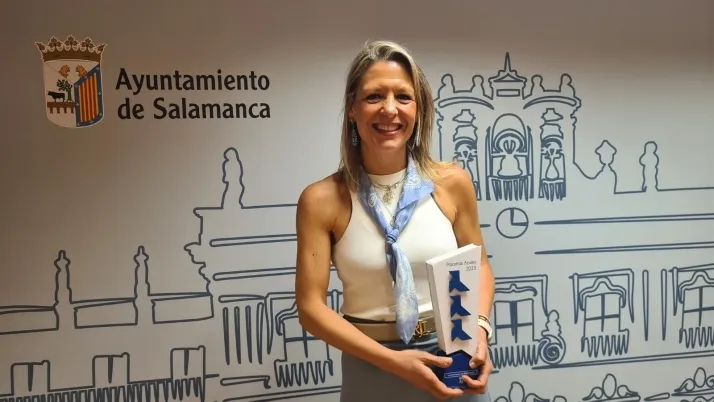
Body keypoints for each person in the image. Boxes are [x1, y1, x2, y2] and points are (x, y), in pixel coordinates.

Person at [295, 40, 495, 401]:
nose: (390, 109)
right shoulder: (321, 200)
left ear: (419, 109)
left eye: (403, 97)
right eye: (374, 96)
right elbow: (310, 308)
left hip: (453, 357)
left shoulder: (452, 183)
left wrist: (479, 330)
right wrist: (393, 362)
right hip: (371, 364)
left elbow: (478, 264)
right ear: (352, 108)